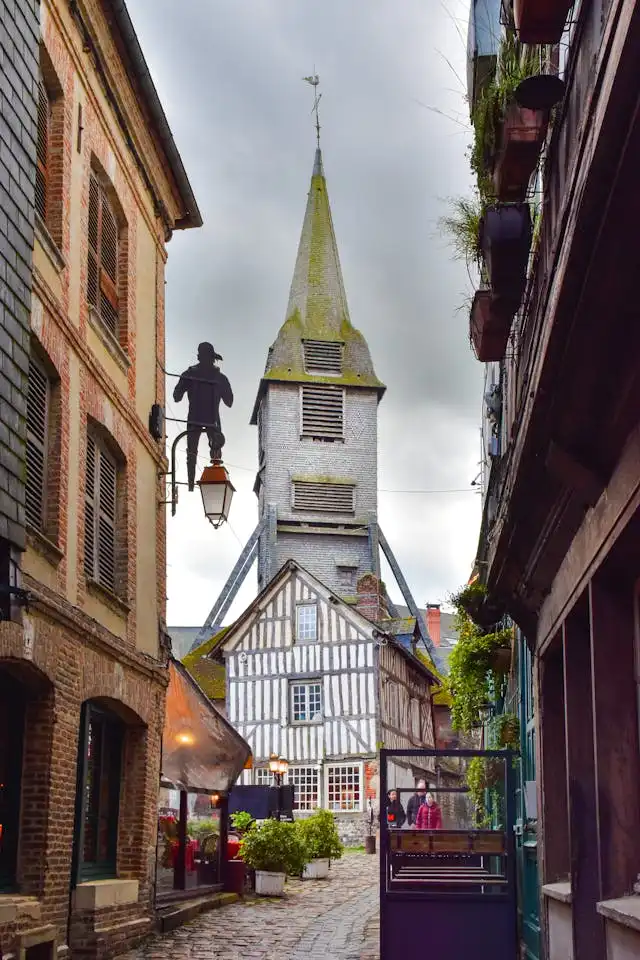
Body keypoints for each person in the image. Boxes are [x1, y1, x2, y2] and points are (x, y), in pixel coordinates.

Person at [173, 342, 234, 490]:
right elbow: (229, 401)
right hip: (211, 419)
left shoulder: (191, 374)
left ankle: (193, 484)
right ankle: (207, 482)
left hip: (197, 417)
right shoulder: (219, 377)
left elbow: (176, 396)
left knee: (197, 451)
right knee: (210, 449)